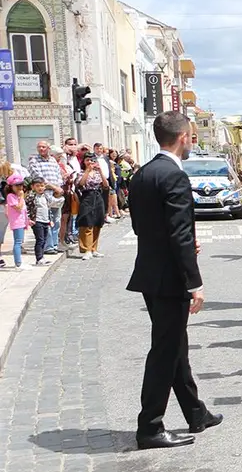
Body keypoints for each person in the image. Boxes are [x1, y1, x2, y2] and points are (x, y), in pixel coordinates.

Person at [126, 111, 222, 450]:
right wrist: (193, 282)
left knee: (175, 345)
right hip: (169, 279)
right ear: (183, 137)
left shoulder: (143, 174)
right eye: (191, 136)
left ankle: (196, 412)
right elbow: (181, 234)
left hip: (150, 272)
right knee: (165, 352)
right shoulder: (174, 176)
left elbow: (143, 227)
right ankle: (150, 426)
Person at [75, 152, 111, 259]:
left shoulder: (98, 173)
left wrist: (100, 171)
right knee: (87, 222)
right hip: (87, 197)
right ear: (84, 162)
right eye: (88, 160)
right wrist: (87, 171)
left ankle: (94, 248)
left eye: (92, 160)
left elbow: (105, 185)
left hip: (98, 196)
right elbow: (81, 184)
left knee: (97, 223)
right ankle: (87, 249)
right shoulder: (81, 173)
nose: (90, 162)